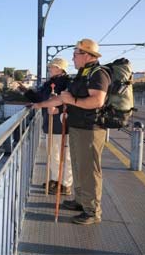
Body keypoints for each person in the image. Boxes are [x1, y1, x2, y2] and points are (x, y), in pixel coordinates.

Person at [33, 38, 111, 225]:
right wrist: (40, 104)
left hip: (90, 129)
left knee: (89, 170)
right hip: (77, 127)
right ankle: (80, 201)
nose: (73, 58)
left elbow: (97, 101)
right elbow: (62, 98)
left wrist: (70, 101)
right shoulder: (82, 75)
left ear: (86, 55)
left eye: (75, 54)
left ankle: (92, 211)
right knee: (77, 166)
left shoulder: (98, 74)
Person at [21, 58, 73, 195]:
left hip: (61, 123)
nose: (49, 69)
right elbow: (39, 99)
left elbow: (69, 100)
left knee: (63, 155)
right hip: (50, 122)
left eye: (52, 67)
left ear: (60, 68)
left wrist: (58, 108)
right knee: (53, 154)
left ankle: (65, 184)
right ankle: (56, 181)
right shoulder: (50, 83)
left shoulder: (68, 83)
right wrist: (23, 90)